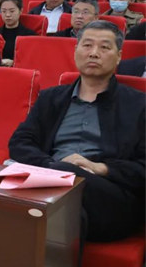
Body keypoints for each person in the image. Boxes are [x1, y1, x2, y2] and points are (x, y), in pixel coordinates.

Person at [9, 20, 144, 242]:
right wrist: (52, 167)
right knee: (67, 215)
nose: (94, 53)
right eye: (87, 45)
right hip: (53, 185)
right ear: (75, 51)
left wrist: (101, 168)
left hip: (109, 196)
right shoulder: (51, 98)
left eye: (104, 47)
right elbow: (20, 142)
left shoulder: (138, 105)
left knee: (54, 202)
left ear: (119, 56)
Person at [0, 0, 36, 66]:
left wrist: (14, 63)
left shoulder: (30, 36)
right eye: (4, 11)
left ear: (20, 11)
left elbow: (32, 61)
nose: (7, 15)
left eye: (12, 11)